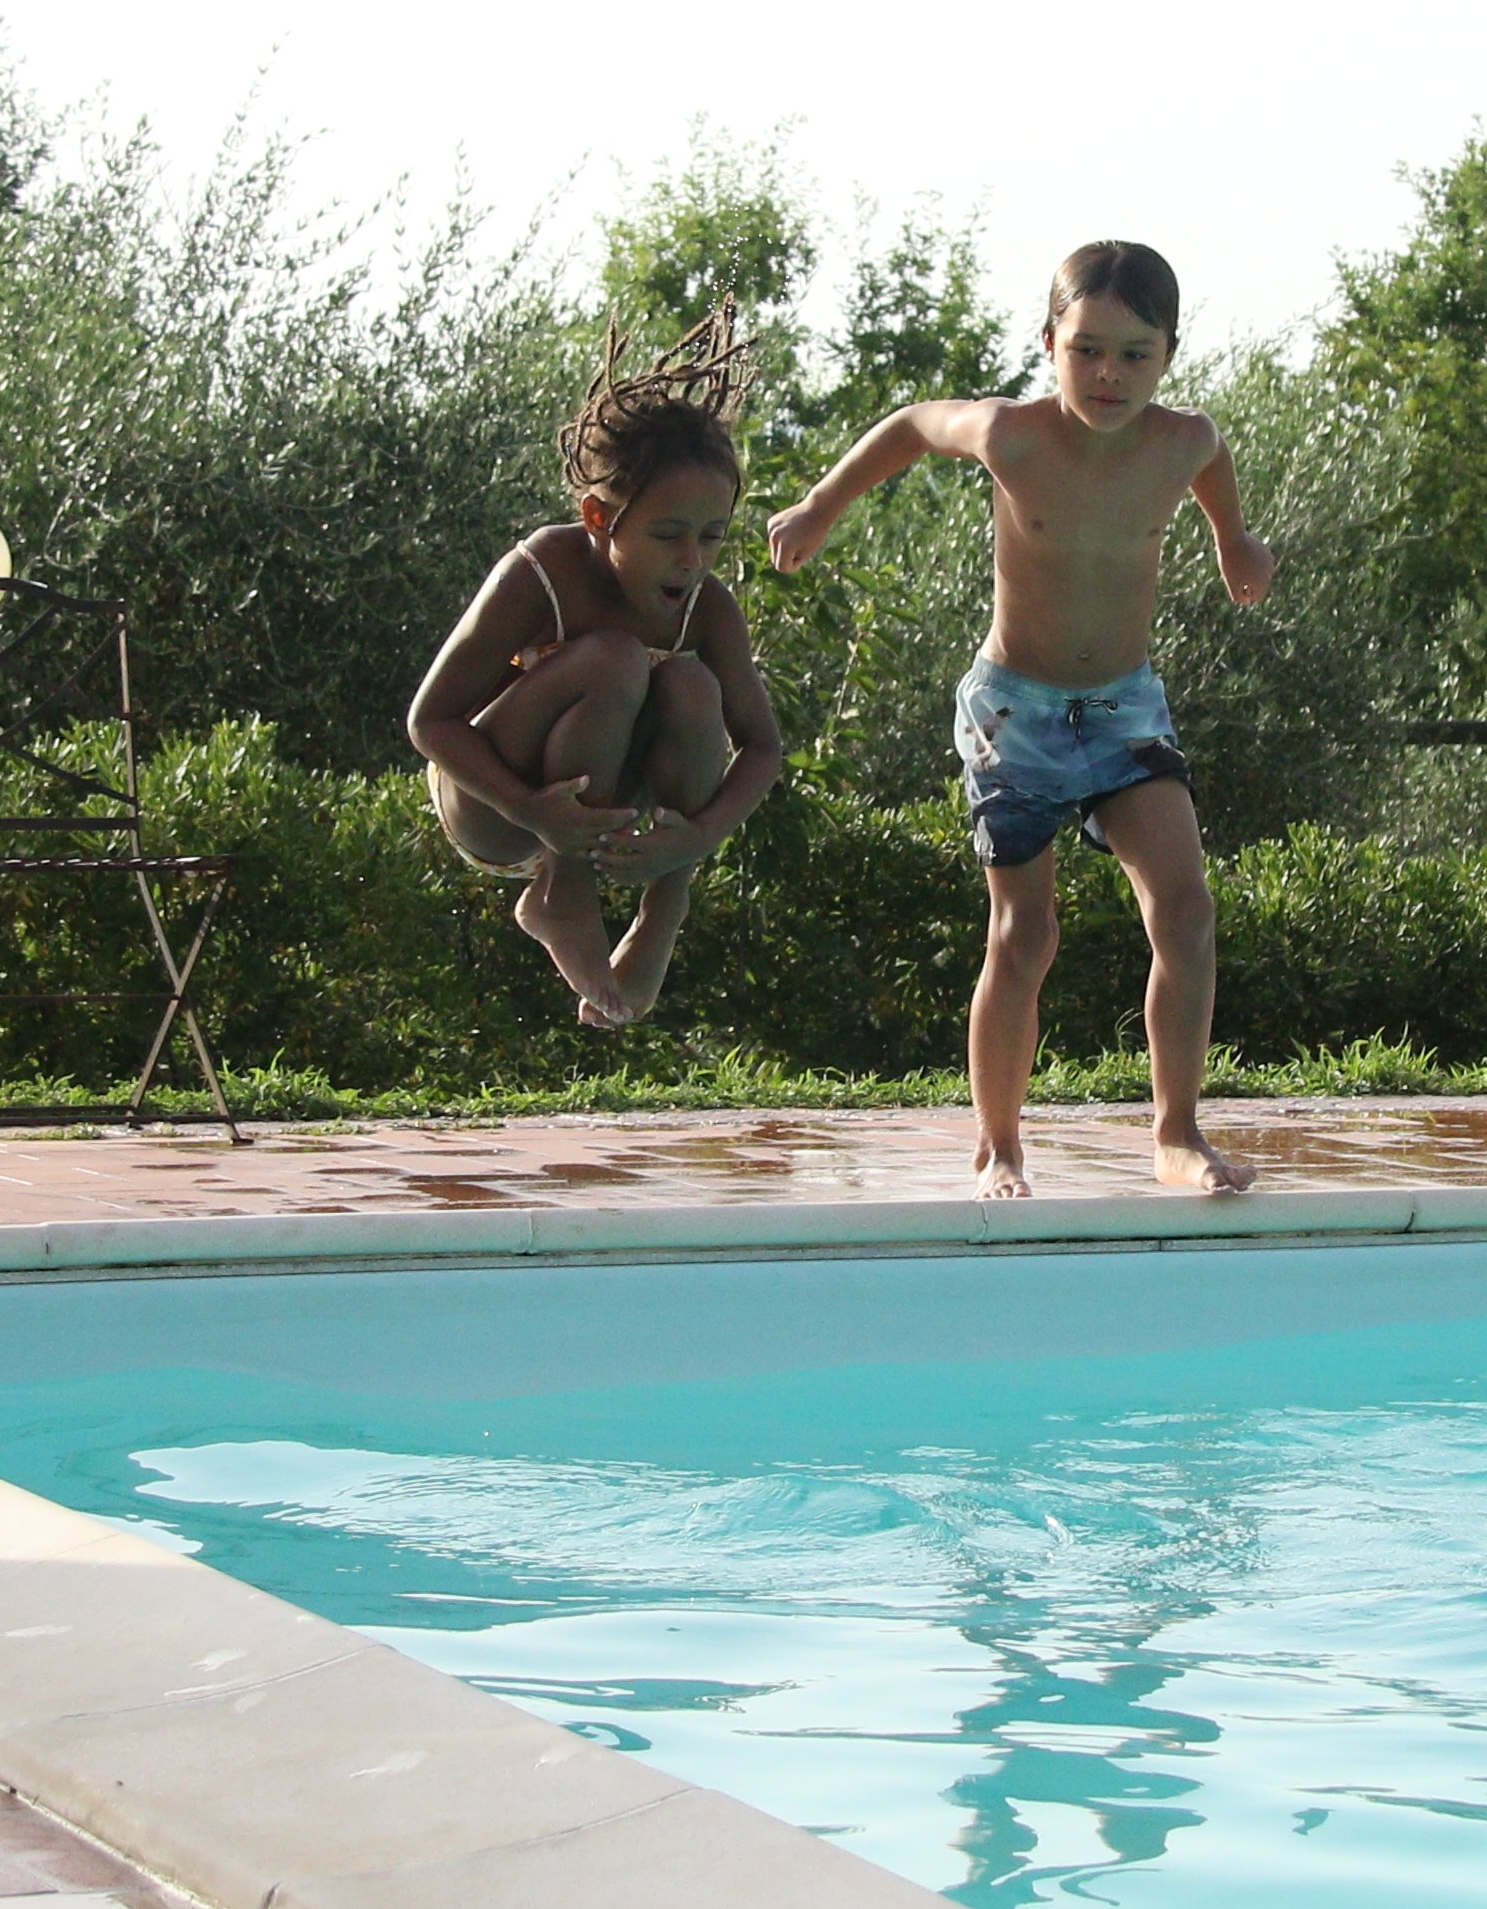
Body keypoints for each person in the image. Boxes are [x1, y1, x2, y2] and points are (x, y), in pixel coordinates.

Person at [770, 242, 1270, 1199]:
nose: (1109, 374)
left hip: (1123, 707)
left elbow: (1214, 477)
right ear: (1049, 344)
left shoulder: (1185, 441)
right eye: (1087, 350)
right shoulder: (1011, 434)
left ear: (1168, 355)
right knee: (1025, 932)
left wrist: (1236, 545)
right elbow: (914, 425)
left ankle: (1176, 1134)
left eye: (1134, 353)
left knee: (1186, 909)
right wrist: (822, 504)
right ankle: (999, 1146)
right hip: (1017, 713)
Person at [406, 313, 787, 1026]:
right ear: (597, 517)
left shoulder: (706, 608)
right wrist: (527, 809)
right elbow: (429, 721)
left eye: (711, 537)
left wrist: (699, 837)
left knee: (693, 686)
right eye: (668, 536)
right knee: (613, 657)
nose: (691, 561)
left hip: (606, 809)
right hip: (498, 806)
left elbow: (763, 747)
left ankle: (663, 910)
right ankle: (565, 894)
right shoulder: (540, 571)